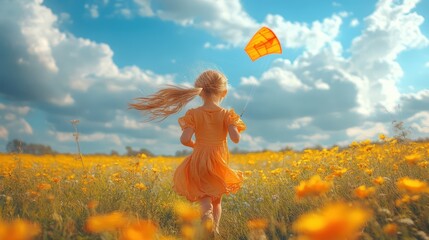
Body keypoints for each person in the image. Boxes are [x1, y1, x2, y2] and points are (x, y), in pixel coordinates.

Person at [129, 69, 246, 236]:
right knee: (217, 200)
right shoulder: (227, 115)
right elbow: (236, 139)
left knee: (204, 199)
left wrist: (197, 146)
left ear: (199, 92)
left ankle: (207, 224)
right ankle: (215, 229)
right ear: (224, 92)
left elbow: (184, 139)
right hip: (219, 163)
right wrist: (233, 125)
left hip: (199, 161)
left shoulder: (194, 114)